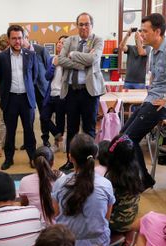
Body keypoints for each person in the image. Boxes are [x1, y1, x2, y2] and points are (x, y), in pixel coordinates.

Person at [121, 13, 166, 189]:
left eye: (145, 31)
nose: (142, 34)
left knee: (129, 138)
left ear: (157, 31)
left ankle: (143, 179)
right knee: (122, 136)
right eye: (141, 31)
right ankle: (128, 176)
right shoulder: (153, 50)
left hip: (163, 104)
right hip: (152, 99)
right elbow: (156, 78)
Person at [52, 134, 115, 246]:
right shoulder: (106, 184)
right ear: (95, 156)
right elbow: (106, 218)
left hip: (67, 245)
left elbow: (56, 215)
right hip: (99, 245)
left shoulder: (60, 183)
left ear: (70, 157)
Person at [57, 13, 106, 171]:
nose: (84, 27)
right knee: (71, 128)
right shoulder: (70, 40)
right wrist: (82, 62)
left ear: (92, 25)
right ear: (76, 25)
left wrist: (73, 55)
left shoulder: (98, 40)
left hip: (89, 92)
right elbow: (60, 59)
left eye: (87, 24)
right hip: (71, 91)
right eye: (81, 24)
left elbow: (93, 60)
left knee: (89, 129)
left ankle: (88, 164)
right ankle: (71, 161)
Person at [0, 25, 38, 170]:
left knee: (29, 130)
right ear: (9, 39)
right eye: (14, 38)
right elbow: (0, 78)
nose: (17, 41)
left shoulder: (31, 55)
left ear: (23, 38)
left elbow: (34, 76)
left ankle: (32, 157)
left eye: (20, 38)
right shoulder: (0, 57)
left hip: (26, 99)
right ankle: (9, 159)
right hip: (10, 99)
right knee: (10, 131)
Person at [106, 135, 143, 246]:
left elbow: (107, 205)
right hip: (132, 217)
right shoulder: (137, 171)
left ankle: (116, 236)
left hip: (116, 222)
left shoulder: (112, 177)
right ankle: (130, 231)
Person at [19, 146, 63, 225]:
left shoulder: (25, 181)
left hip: (35, 226)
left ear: (33, 162)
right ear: (53, 162)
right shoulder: (61, 177)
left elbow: (24, 205)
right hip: (58, 228)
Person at [23, 30, 51, 147]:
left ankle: (45, 139)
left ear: (27, 37)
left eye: (21, 38)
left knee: (44, 116)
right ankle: (28, 141)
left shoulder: (40, 50)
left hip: (41, 89)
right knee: (28, 117)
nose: (19, 41)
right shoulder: (20, 53)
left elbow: (49, 67)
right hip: (27, 89)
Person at [44, 35, 68, 152]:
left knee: (60, 121)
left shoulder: (69, 60)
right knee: (44, 117)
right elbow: (47, 76)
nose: (59, 44)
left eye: (62, 42)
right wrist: (54, 65)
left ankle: (57, 145)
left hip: (62, 96)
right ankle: (59, 138)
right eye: (58, 42)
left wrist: (62, 62)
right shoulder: (51, 59)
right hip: (50, 95)